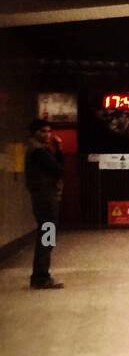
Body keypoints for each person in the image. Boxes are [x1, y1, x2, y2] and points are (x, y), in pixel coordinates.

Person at [25, 119, 65, 290]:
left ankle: (40, 275)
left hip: (42, 197)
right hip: (46, 198)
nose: (47, 134)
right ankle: (41, 277)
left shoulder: (36, 149)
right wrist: (59, 150)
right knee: (47, 236)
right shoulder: (39, 152)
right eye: (43, 131)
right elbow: (58, 169)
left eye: (49, 131)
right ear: (34, 133)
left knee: (46, 235)